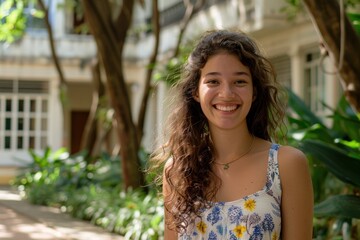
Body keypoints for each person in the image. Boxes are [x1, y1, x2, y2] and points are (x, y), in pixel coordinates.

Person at [150, 29, 313, 240]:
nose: (226, 94)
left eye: (240, 81)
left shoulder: (287, 165)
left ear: (254, 92)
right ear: (195, 92)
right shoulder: (176, 171)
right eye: (213, 82)